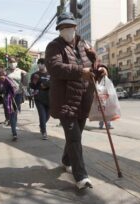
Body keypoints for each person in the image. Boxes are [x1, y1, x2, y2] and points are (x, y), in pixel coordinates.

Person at [45, 12, 108, 190]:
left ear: (75, 27)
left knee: (75, 136)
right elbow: (55, 67)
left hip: (83, 99)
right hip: (65, 100)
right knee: (74, 138)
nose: (67, 30)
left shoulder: (85, 44)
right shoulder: (53, 46)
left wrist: (102, 69)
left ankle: (66, 160)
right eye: (63, 28)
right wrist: (81, 71)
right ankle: (81, 177)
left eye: (70, 27)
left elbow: (96, 63)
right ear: (59, 30)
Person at [6, 56, 27, 140]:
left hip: (18, 94)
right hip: (9, 95)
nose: (12, 63)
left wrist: (25, 75)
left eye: (14, 61)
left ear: (16, 62)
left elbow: (25, 82)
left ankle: (13, 125)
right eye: (10, 62)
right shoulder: (6, 71)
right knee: (12, 112)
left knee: (15, 112)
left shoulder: (20, 71)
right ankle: (14, 132)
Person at [30, 58, 50, 140]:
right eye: (39, 63)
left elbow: (54, 83)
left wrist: (47, 84)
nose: (40, 65)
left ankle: (42, 125)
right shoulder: (35, 74)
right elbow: (32, 86)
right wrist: (34, 82)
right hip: (39, 98)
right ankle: (44, 132)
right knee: (42, 115)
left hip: (49, 98)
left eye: (42, 63)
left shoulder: (50, 74)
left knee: (47, 116)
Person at [0, 68, 19, 140]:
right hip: (8, 98)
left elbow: (22, 83)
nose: (2, 75)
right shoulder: (1, 80)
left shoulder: (19, 71)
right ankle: (14, 132)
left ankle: (14, 131)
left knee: (14, 114)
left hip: (16, 96)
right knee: (12, 114)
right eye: (1, 73)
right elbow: (0, 90)